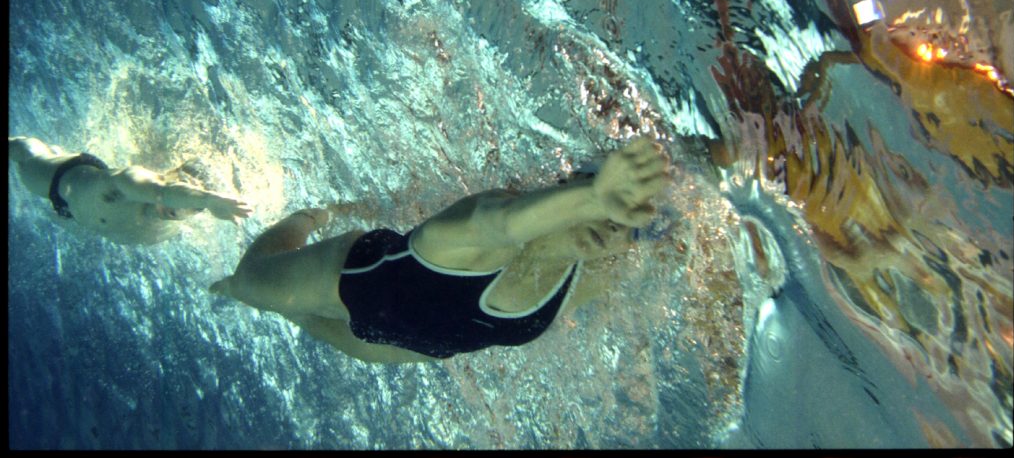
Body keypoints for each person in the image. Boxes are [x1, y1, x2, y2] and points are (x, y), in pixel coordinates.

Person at [211, 137, 670, 363]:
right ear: (571, 183)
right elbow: (504, 224)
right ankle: (310, 216)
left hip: (389, 347)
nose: (610, 227)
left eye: (626, 225)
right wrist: (595, 198)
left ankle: (287, 308)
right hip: (350, 282)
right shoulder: (488, 226)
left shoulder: (594, 268)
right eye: (605, 203)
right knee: (248, 282)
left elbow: (679, 240)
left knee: (300, 318)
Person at [8, 136, 253, 245]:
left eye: (193, 208)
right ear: (172, 178)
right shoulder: (132, 182)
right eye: (185, 196)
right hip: (63, 179)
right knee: (27, 152)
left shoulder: (166, 230)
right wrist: (210, 199)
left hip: (75, 213)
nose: (177, 210)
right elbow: (162, 191)